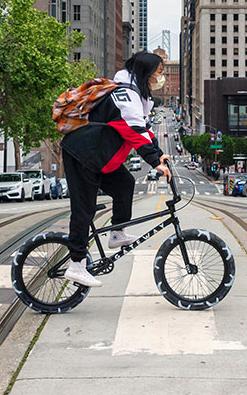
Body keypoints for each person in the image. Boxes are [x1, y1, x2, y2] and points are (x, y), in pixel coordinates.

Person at [59, 52, 171, 287]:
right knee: (84, 209)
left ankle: (117, 233)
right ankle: (76, 265)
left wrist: (160, 154)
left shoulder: (135, 95)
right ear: (146, 73)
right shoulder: (124, 95)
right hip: (83, 154)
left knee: (125, 184)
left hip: (100, 157)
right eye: (160, 72)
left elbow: (144, 128)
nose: (162, 77)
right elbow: (134, 130)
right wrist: (154, 162)